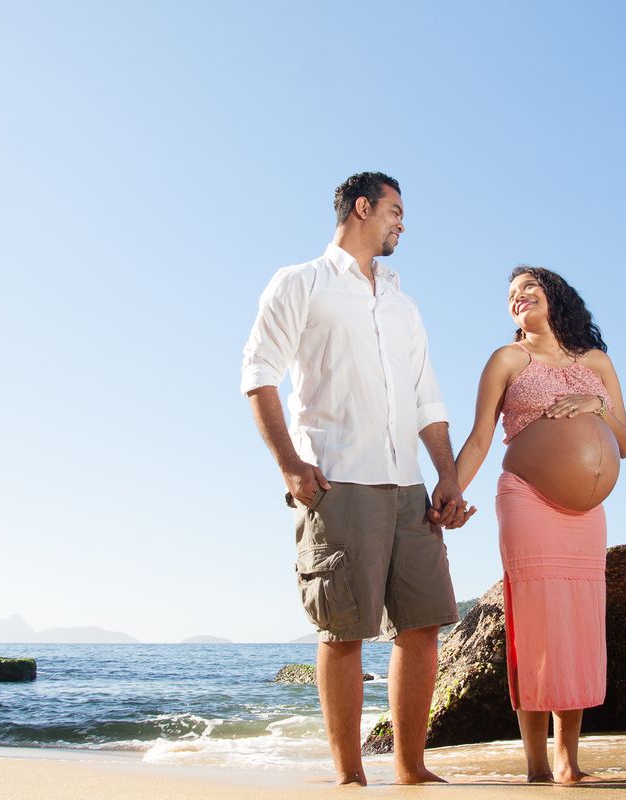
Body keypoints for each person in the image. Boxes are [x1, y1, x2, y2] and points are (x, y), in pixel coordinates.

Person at [240, 172, 473, 785]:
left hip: (408, 485)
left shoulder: (403, 303)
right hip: (338, 481)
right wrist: (290, 465)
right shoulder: (300, 283)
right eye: (396, 210)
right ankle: (349, 775)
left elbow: (428, 401)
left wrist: (446, 478)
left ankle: (410, 767)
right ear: (363, 208)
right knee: (344, 629)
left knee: (422, 626)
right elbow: (258, 373)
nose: (403, 222)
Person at [454, 266, 626, 784]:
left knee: (575, 624)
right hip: (527, 499)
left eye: (528, 287)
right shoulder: (508, 359)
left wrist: (595, 403)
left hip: (585, 515)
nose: (519, 298)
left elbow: (623, 440)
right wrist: (449, 493)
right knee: (535, 626)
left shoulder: (596, 362)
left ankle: (567, 761)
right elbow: (481, 439)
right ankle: (535, 764)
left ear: (555, 295)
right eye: (511, 295)